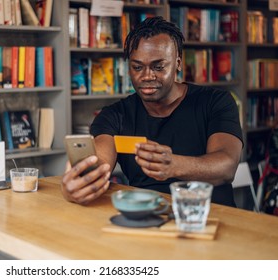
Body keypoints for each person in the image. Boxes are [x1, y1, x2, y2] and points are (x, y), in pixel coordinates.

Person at [61, 16, 243, 207]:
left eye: (158, 66)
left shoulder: (215, 102)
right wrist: (81, 180)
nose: (147, 76)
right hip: (145, 219)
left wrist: (174, 165)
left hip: (209, 217)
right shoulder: (114, 115)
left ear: (178, 64)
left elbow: (227, 166)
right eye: (137, 67)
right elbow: (99, 162)